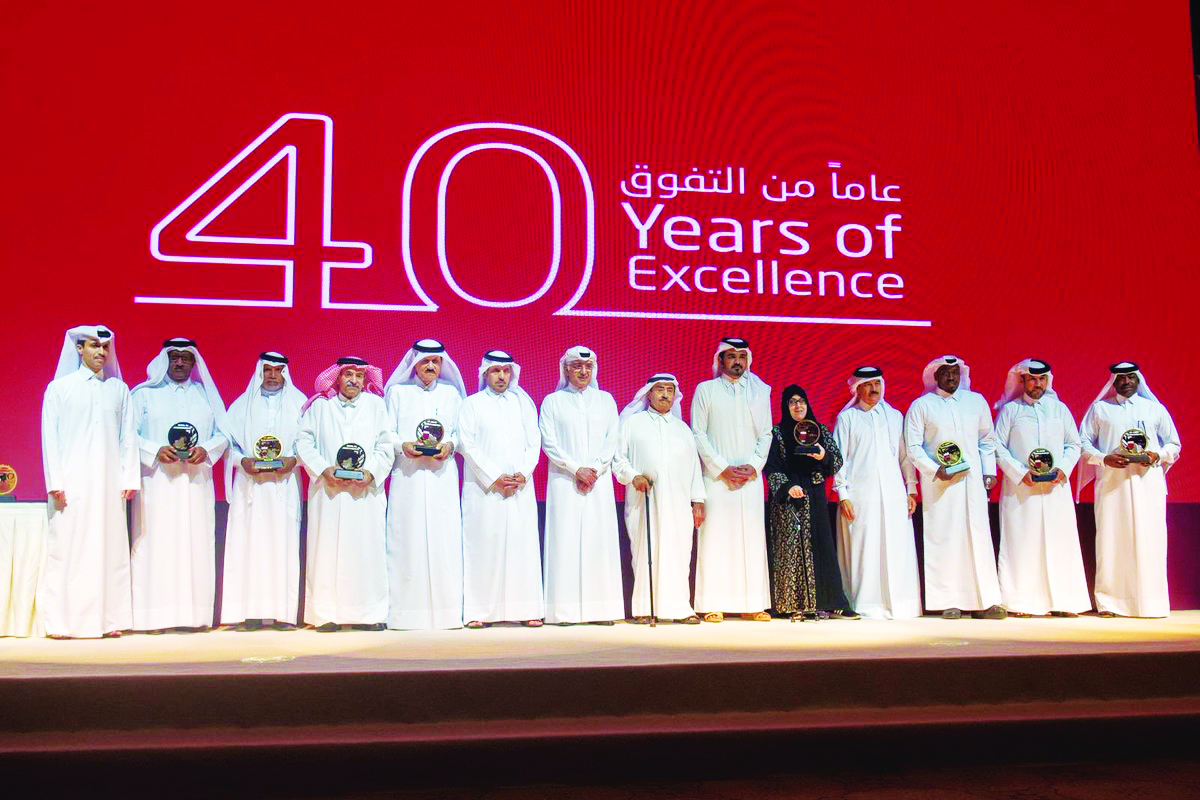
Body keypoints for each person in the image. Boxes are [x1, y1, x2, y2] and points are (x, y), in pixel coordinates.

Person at [39, 326, 139, 638]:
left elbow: (128, 437)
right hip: (71, 484)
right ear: (79, 348)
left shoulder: (119, 390)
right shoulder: (60, 388)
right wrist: (55, 481)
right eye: (95, 346)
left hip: (110, 484)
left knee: (109, 548)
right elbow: (49, 437)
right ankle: (63, 622)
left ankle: (110, 621)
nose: (101, 352)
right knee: (69, 549)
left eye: (105, 347)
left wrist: (129, 477)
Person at [130, 338, 228, 633]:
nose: (180, 362)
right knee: (155, 546)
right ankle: (152, 618)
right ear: (165, 360)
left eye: (186, 358)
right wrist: (153, 450)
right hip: (156, 484)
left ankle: (194, 617)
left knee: (195, 545)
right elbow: (127, 435)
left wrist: (207, 450)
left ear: (194, 362)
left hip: (196, 483)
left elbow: (224, 434)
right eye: (175, 357)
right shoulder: (143, 395)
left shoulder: (206, 395)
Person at [903, 355, 1005, 620]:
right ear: (935, 376)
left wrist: (989, 472)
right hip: (940, 484)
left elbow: (987, 440)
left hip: (972, 482)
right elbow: (913, 447)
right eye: (946, 373)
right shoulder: (921, 406)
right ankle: (948, 601)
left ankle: (984, 601)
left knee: (978, 536)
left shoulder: (976, 401)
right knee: (945, 537)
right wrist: (934, 470)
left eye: (955, 372)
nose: (951, 377)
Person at [295, 357, 392, 631]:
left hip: (365, 494)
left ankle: (369, 615)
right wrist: (323, 469)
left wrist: (371, 472)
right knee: (327, 551)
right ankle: (326, 615)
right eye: (348, 375)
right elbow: (303, 441)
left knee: (367, 552)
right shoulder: (320, 406)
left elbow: (386, 446)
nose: (354, 380)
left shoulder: (376, 405)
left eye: (359, 376)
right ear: (337, 377)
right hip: (329, 491)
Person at [1078, 362, 1181, 618]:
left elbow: (1174, 443)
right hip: (1113, 484)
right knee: (1112, 539)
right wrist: (1104, 458)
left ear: (1138, 380)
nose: (1126, 382)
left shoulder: (1154, 409)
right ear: (1113, 381)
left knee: (1150, 540)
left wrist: (1156, 455)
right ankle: (1110, 603)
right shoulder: (1100, 409)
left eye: (1131, 377)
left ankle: (1151, 603)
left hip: (1148, 484)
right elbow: (1083, 443)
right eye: (1121, 378)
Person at [993, 359, 1090, 617]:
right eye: (1033, 379)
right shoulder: (1010, 411)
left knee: (1060, 542)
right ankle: (1020, 603)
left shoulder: (1059, 410)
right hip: (1022, 490)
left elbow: (1074, 444)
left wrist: (1063, 469)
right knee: (1022, 543)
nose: (1038, 384)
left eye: (1042, 379)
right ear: (1023, 381)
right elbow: (997, 447)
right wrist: (1020, 472)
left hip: (1055, 489)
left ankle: (1064, 603)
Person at [383, 339, 467, 630]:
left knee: (444, 540)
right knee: (407, 540)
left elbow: (460, 432)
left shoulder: (452, 394)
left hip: (442, 476)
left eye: (436, 361)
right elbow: (386, 432)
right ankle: (405, 615)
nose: (431, 366)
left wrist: (451, 445)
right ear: (414, 364)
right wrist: (402, 445)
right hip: (408, 475)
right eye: (425, 361)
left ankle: (446, 614)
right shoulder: (397, 392)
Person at [457, 350, 544, 629]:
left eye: (506, 371)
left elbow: (534, 442)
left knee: (522, 547)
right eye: (496, 371)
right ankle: (479, 611)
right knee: (483, 547)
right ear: (485, 374)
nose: (502, 376)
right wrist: (494, 477)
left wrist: (522, 473)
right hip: (484, 489)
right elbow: (466, 444)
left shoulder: (524, 404)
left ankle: (527, 608)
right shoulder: (471, 404)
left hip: (519, 488)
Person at [220, 352, 306, 631]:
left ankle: (283, 614)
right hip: (250, 486)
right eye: (267, 370)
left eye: (278, 370)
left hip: (284, 486)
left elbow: (309, 442)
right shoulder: (241, 406)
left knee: (283, 546)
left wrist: (295, 460)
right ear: (260, 372)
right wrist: (241, 461)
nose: (272, 376)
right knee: (248, 546)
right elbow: (228, 444)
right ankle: (250, 614)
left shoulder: (301, 404)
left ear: (285, 374)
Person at [691, 337, 773, 623]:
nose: (738, 361)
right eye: (731, 356)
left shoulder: (760, 392)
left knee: (751, 540)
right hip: (717, 479)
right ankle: (712, 603)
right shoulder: (706, 390)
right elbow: (698, 433)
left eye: (742, 356)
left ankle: (753, 604)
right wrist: (722, 468)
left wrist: (754, 465)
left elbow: (766, 433)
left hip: (750, 480)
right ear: (720, 360)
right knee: (716, 539)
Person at [540, 346, 623, 625]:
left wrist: (594, 469)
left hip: (599, 481)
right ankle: (564, 612)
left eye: (588, 366)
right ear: (566, 369)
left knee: (599, 542)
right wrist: (576, 469)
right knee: (565, 541)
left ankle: (602, 611)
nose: (583, 371)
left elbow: (612, 438)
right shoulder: (552, 402)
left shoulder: (606, 400)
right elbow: (549, 442)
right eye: (577, 366)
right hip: (565, 481)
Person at [833, 367, 922, 620]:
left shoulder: (895, 416)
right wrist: (842, 494)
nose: (874, 389)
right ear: (857, 388)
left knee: (896, 549)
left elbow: (904, 457)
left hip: (894, 495)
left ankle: (901, 605)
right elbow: (839, 459)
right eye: (868, 385)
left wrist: (911, 489)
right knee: (865, 551)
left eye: (878, 384)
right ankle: (865, 605)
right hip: (860, 496)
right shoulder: (847, 418)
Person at [614, 375, 705, 624]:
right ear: (648, 394)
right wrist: (633, 476)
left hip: (678, 503)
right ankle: (644, 608)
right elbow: (619, 459)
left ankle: (679, 608)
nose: (665, 394)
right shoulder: (633, 423)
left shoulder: (682, 429)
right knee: (645, 552)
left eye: (670, 390)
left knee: (679, 553)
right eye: (659, 389)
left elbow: (695, 468)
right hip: (644, 499)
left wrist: (698, 500)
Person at [765, 385, 855, 620]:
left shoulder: (820, 430)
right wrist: (787, 487)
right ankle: (791, 605)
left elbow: (836, 462)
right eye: (792, 402)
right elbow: (771, 468)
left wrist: (823, 455)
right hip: (788, 500)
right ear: (786, 406)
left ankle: (832, 603)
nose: (798, 406)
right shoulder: (777, 434)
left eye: (802, 401)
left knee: (822, 548)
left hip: (814, 497)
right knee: (791, 551)